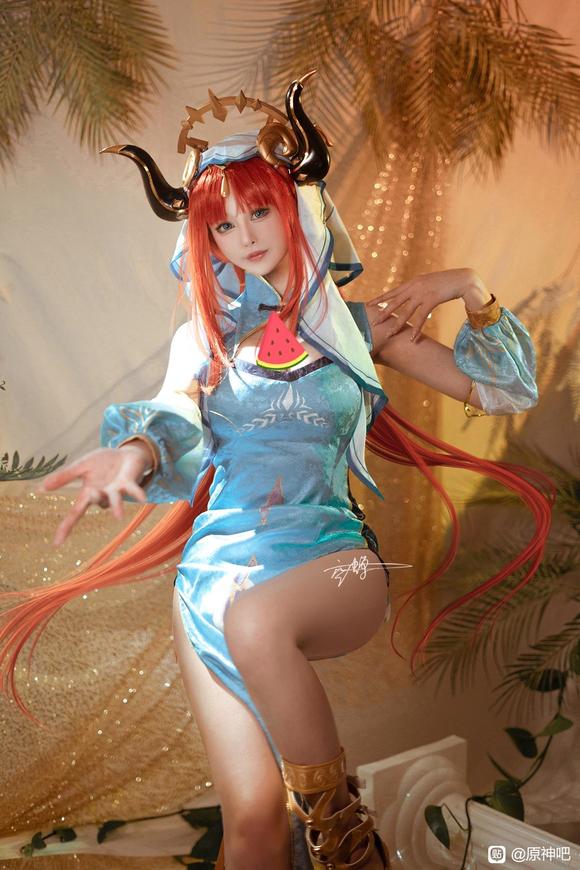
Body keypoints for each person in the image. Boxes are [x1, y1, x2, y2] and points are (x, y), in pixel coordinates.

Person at [0, 76, 555, 870]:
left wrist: (467, 287)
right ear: (208, 242)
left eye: (259, 211)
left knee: (259, 624)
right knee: (255, 823)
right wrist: (133, 454)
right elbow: (172, 416)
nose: (246, 235)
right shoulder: (206, 343)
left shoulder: (362, 330)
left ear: (293, 207)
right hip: (211, 584)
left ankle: (348, 846)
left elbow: (504, 390)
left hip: (338, 565)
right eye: (223, 225)